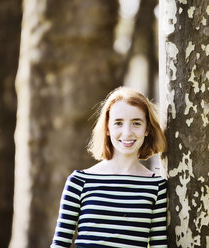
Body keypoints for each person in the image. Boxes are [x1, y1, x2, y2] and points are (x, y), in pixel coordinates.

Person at [50, 87, 168, 248]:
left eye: (136, 123)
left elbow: (159, 245)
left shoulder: (156, 186)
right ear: (107, 128)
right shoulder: (80, 181)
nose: (127, 133)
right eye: (118, 123)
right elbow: (60, 244)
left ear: (147, 129)